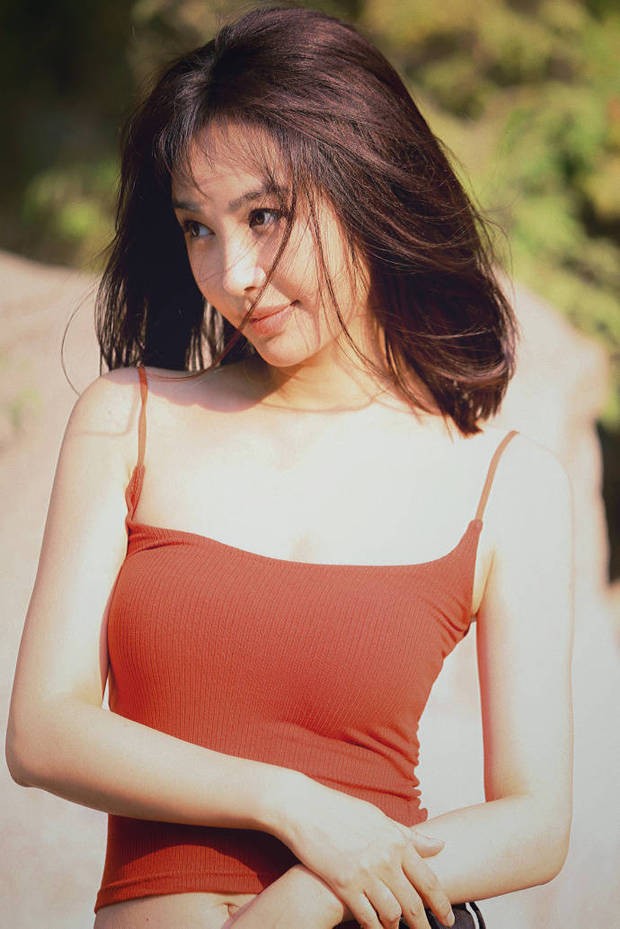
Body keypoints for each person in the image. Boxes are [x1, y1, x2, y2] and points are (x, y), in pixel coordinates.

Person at [6, 6, 574, 929]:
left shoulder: (506, 483)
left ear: (366, 183)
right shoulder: (128, 418)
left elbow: (537, 823)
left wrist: (312, 891)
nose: (232, 273)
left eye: (265, 216)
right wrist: (294, 804)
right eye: (198, 228)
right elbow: (42, 730)